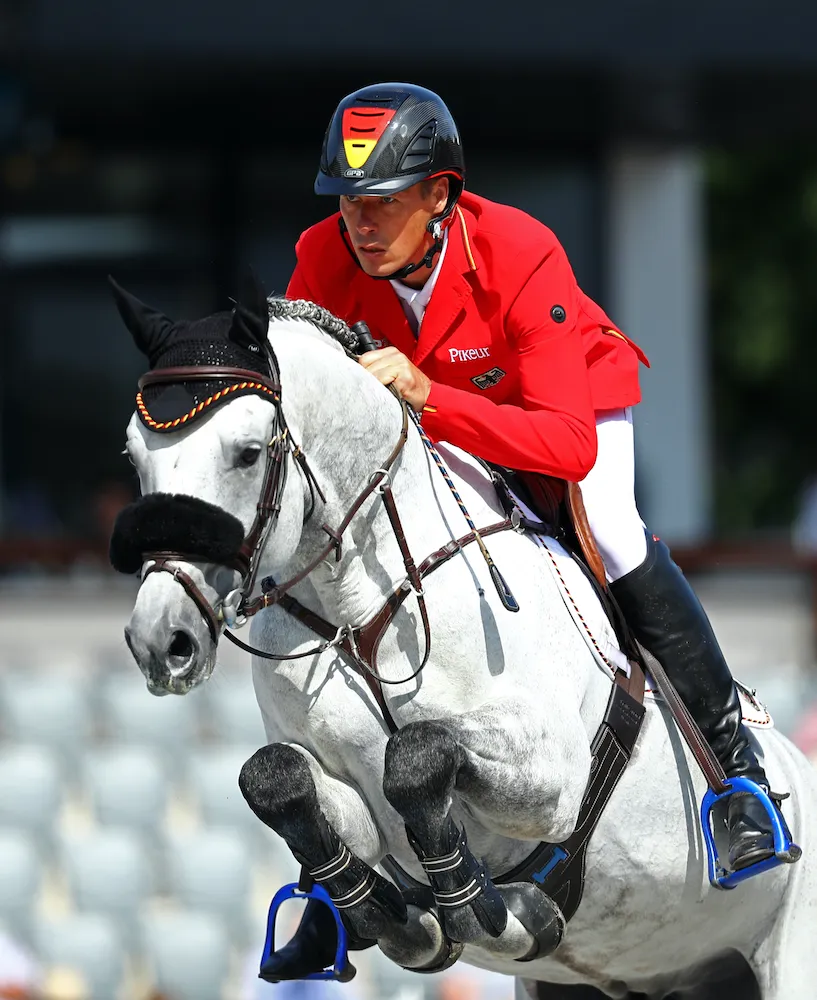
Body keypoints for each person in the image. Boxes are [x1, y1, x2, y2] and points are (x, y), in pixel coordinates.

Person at [277, 82, 793, 975]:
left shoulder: (517, 248)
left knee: (618, 535)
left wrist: (429, 397)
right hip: (434, 435)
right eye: (347, 203)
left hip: (565, 411)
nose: (358, 225)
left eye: (383, 203)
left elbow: (561, 444)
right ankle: (337, 879)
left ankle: (736, 775)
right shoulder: (320, 256)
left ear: (439, 195)